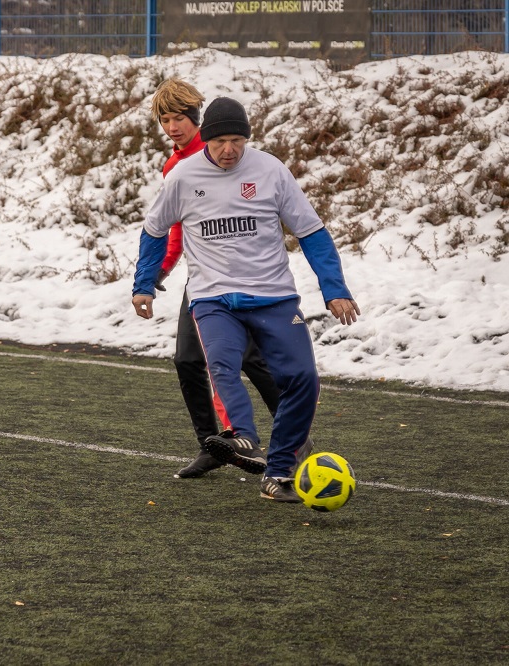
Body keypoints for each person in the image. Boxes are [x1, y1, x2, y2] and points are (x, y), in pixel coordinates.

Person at [132, 96, 360, 503]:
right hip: (213, 297)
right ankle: (243, 438)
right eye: (220, 142)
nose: (229, 150)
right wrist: (144, 283)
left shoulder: (271, 170)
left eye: (237, 141)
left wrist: (335, 289)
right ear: (206, 139)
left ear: (247, 139)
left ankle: (278, 472)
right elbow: (154, 230)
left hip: (274, 296)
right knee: (222, 363)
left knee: (303, 380)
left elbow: (311, 231)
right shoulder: (183, 176)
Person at [149, 79, 298, 480]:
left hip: (248, 279)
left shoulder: (223, 151)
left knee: (249, 358)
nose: (172, 127)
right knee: (188, 360)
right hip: (204, 280)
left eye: (179, 118)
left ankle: (293, 436)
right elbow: (175, 226)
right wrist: (161, 267)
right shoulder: (176, 167)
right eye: (165, 120)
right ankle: (211, 444)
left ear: (196, 118)